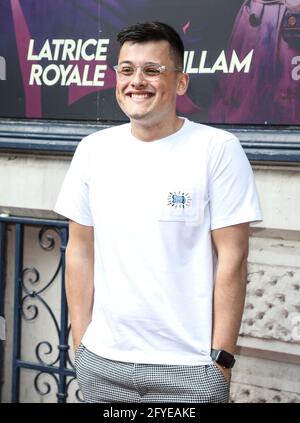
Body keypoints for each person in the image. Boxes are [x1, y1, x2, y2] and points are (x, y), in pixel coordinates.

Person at [54, 21, 262, 403]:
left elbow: (234, 258)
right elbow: (79, 250)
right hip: (103, 363)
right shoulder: (92, 150)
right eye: (127, 70)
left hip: (189, 370)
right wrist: (81, 342)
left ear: (180, 83)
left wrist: (221, 359)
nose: (137, 81)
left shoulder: (217, 150)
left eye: (152, 70)